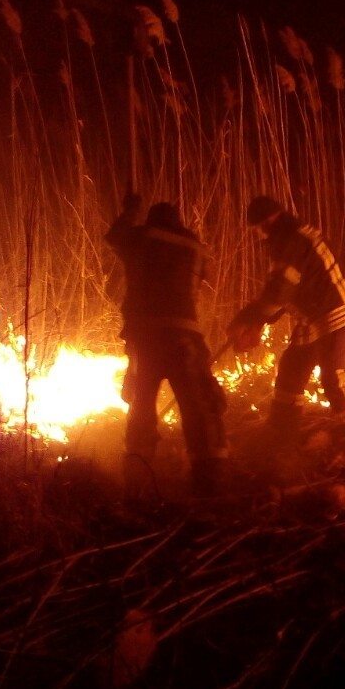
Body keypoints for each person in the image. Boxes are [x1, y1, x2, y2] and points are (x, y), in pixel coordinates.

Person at [227, 196, 345, 460]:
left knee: (333, 378)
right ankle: (282, 432)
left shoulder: (292, 241)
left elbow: (280, 290)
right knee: (291, 369)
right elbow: (286, 292)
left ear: (267, 222)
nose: (258, 237)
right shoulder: (293, 237)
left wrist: (252, 318)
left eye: (257, 230)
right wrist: (254, 319)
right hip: (314, 319)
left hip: (335, 314)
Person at [105, 193, 228, 497]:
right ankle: (209, 482)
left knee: (142, 406)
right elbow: (204, 278)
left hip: (145, 338)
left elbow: (114, 237)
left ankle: (138, 475)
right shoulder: (194, 245)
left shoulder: (141, 236)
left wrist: (131, 209)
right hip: (184, 335)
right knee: (199, 407)